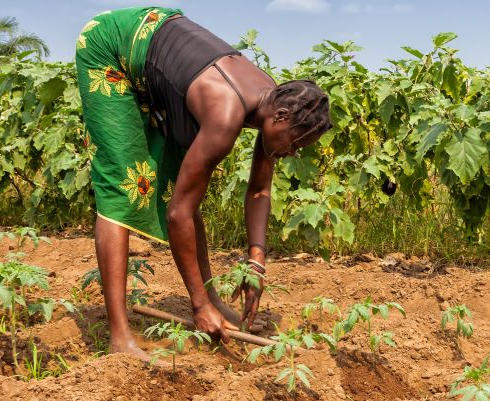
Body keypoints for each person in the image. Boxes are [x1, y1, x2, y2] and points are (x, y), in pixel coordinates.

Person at [74, 6, 332, 361]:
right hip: (110, 46)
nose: (292, 153)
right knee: (126, 187)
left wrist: (256, 262)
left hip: (156, 54)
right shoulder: (226, 116)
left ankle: (211, 300)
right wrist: (196, 307)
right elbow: (179, 214)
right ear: (282, 117)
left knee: (182, 184)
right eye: (295, 143)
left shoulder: (271, 99)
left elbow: (259, 190)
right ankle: (120, 336)